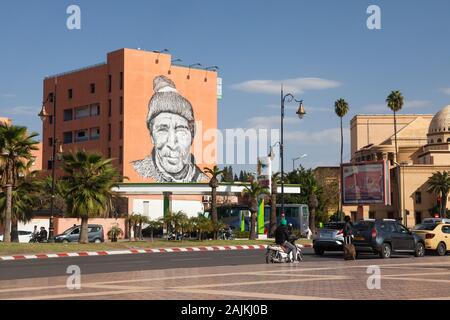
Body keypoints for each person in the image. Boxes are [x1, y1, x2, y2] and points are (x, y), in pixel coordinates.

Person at [132, 75, 208, 182]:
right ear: (152, 136)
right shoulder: (139, 172)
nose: (172, 144)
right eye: (163, 130)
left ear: (192, 135)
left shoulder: (205, 180)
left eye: (180, 129)